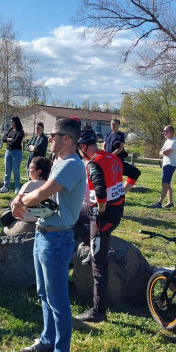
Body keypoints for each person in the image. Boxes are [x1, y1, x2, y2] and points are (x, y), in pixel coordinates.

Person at [11, 117, 87, 352]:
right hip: (45, 234)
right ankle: (47, 341)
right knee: (44, 294)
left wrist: (22, 201)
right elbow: (44, 192)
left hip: (57, 239)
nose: (49, 139)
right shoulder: (60, 162)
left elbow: (43, 193)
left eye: (53, 135)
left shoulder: (71, 165)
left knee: (58, 300)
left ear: (67, 139)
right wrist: (23, 199)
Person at [72, 129, 126, 323]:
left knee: (99, 265)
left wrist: (99, 212)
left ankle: (98, 311)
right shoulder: (111, 157)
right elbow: (133, 173)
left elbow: (101, 191)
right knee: (74, 214)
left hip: (104, 216)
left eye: (79, 148)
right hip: (116, 210)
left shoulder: (93, 163)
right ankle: (89, 243)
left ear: (83, 147)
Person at [3, 156, 52, 236]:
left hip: (27, 225)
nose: (28, 170)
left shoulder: (30, 184)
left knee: (4, 231)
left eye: (30, 168)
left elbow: (16, 205)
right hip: (46, 226)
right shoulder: (51, 186)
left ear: (39, 171)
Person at [151, 125, 176, 208]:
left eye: (165, 131)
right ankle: (170, 202)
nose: (164, 133)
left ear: (170, 132)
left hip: (170, 165)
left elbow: (167, 152)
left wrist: (163, 151)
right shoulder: (167, 141)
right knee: (167, 184)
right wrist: (163, 151)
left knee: (164, 183)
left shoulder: (174, 141)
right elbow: (160, 153)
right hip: (165, 164)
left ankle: (160, 202)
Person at [0, 116, 25, 193]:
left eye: (12, 121)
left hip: (16, 152)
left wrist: (9, 140)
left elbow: (16, 141)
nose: (10, 123)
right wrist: (9, 140)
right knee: (7, 170)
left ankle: (17, 187)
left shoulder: (20, 132)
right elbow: (3, 139)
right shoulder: (10, 131)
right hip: (8, 151)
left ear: (15, 122)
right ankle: (6, 186)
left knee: (16, 170)